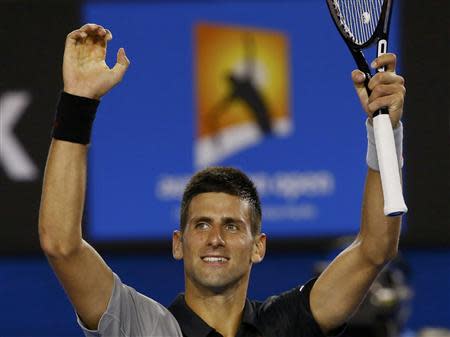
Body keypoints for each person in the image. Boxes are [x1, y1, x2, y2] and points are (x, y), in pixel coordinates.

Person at [39, 23, 406, 337]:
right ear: (178, 244)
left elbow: (375, 249)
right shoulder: (144, 327)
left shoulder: (287, 326)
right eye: (202, 225)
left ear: (258, 246)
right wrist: (78, 102)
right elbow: (61, 244)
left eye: (231, 226)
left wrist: (384, 130)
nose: (215, 239)